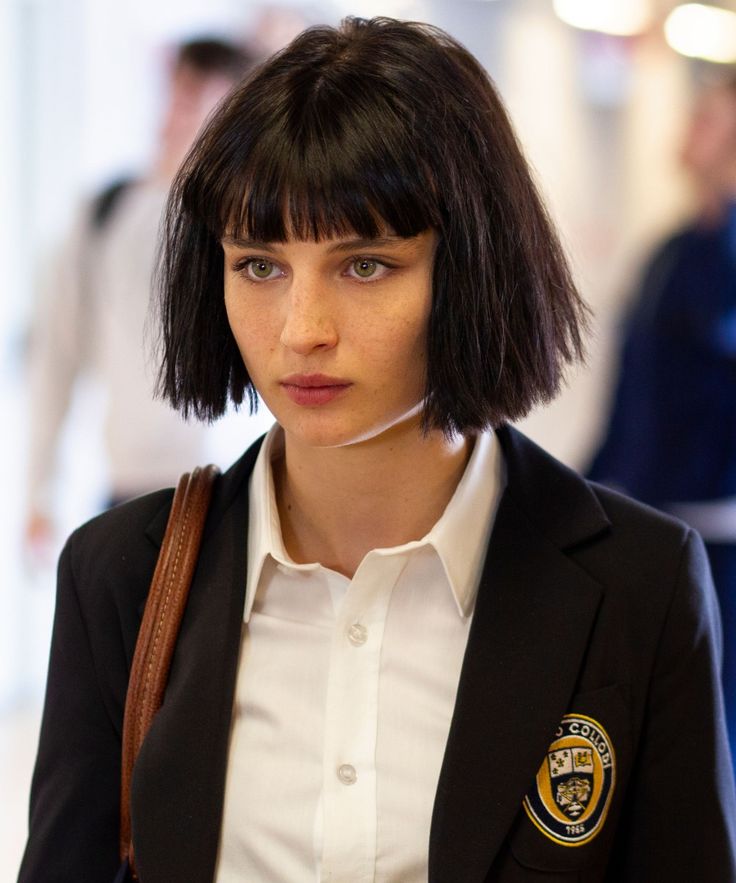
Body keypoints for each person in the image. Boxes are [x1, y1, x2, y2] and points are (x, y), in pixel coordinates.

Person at [19, 18, 736, 883]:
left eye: (365, 265)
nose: (302, 330)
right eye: (258, 265)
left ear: (471, 269)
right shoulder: (119, 578)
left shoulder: (641, 587)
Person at [25, 37, 255, 549]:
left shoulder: (245, 220)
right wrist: (40, 491)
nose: (180, 110)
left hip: (234, 496)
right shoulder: (104, 213)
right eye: (177, 90)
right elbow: (55, 357)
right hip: (130, 496)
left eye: (200, 96)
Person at [588, 74, 736, 768]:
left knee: (719, 732)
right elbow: (631, 399)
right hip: (652, 525)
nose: (690, 128)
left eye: (709, 118)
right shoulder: (670, 251)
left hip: (724, 543)